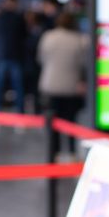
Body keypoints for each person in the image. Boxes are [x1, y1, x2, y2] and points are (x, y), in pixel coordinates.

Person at [37, 10, 92, 152]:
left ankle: (52, 156)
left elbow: (41, 59)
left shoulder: (48, 37)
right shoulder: (79, 40)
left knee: (52, 125)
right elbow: (83, 64)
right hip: (70, 87)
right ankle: (72, 153)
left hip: (50, 86)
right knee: (70, 123)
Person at [0, 0, 29, 112]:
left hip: (10, 56)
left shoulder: (13, 17)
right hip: (5, 56)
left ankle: (19, 116)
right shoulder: (4, 17)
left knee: (16, 88)